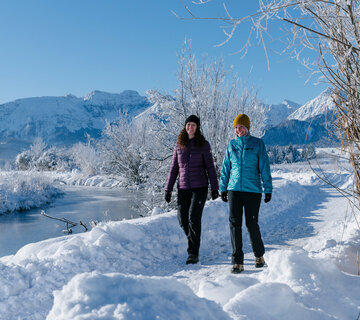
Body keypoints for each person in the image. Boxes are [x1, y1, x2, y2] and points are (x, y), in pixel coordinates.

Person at [220, 113, 272, 274]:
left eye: (241, 127)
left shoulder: (257, 144)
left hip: (252, 190)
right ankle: (237, 262)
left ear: (247, 127)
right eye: (236, 127)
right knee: (234, 225)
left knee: (251, 224)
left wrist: (268, 188)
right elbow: (226, 168)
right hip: (234, 189)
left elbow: (264, 167)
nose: (238, 130)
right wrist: (223, 188)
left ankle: (259, 255)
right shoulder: (231, 145)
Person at [165, 115, 219, 264]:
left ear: (198, 127)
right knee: (182, 218)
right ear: (185, 126)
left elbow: (210, 168)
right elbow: (174, 168)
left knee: (194, 218)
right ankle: (193, 240)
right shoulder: (179, 145)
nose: (190, 127)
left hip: (200, 187)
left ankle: (193, 253)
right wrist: (168, 189)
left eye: (193, 125)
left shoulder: (204, 145)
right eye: (188, 124)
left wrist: (214, 188)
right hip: (183, 188)